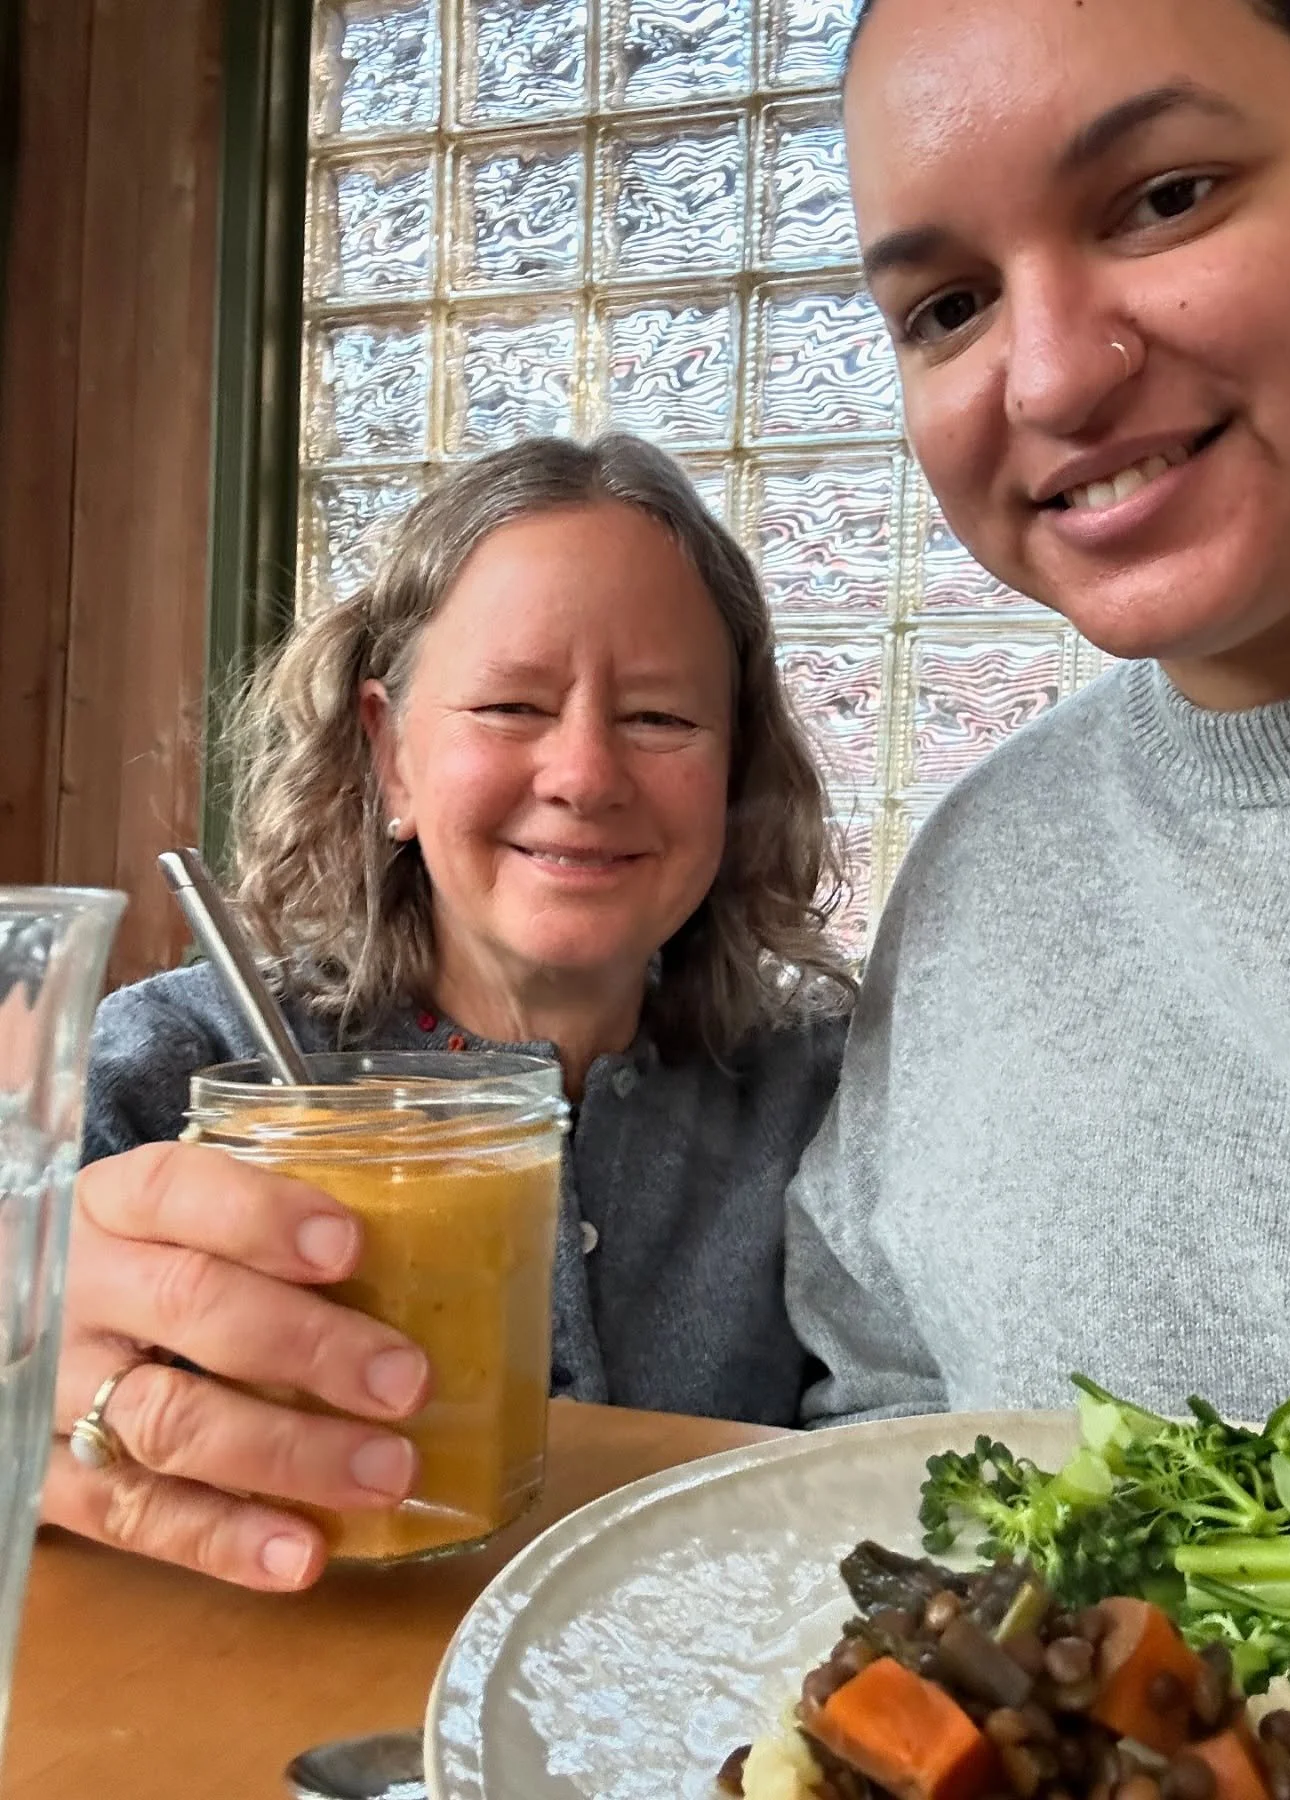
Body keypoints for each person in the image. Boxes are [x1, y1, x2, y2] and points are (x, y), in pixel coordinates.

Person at [786, 0, 1290, 1431]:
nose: (1058, 376)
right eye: (950, 307)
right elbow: (877, 1404)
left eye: (1162, 200)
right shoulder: (985, 866)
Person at [50, 432, 853, 1589]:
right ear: (392, 761)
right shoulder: (175, 1065)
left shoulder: (824, 1097)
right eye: (513, 705)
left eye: (662, 719)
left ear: (734, 774)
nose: (584, 775)